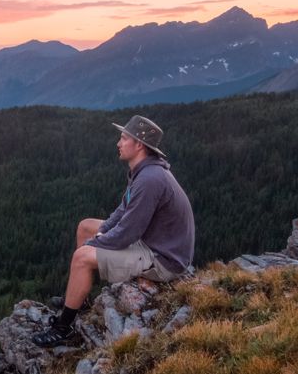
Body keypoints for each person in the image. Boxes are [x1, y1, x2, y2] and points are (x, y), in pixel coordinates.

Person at [31, 115, 195, 348]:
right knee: (85, 226)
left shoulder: (150, 179)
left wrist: (97, 243)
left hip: (163, 259)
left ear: (139, 144)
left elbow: (128, 232)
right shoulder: (142, 172)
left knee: (81, 257)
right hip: (153, 242)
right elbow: (122, 212)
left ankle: (63, 328)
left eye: (123, 138)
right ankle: (81, 299)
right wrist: (101, 233)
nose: (118, 143)